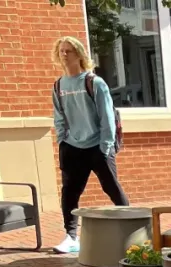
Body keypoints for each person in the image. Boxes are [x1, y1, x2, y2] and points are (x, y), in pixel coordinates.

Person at [52, 36, 128, 254]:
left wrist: (105, 146)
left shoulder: (94, 82)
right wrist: (63, 139)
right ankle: (70, 237)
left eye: (69, 51)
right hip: (71, 147)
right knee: (70, 193)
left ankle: (132, 229)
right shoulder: (58, 85)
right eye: (61, 51)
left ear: (79, 54)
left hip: (98, 146)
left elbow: (106, 116)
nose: (64, 55)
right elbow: (58, 116)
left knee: (111, 187)